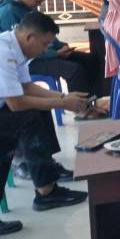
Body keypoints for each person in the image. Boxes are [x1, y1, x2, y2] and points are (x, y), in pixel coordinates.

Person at [0, 12, 91, 215]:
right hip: (6, 106)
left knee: (38, 111)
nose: (45, 50)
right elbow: (16, 103)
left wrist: (63, 97)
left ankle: (47, 175)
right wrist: (63, 103)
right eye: (44, 44)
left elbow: (27, 87)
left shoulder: (16, 46)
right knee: (29, 118)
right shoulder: (4, 52)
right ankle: (46, 192)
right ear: (29, 37)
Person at [0, 0, 103, 99]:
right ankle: (80, 105)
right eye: (38, 1)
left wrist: (61, 47)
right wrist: (55, 53)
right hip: (31, 61)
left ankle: (93, 100)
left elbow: (44, 33)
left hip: (44, 53)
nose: (38, 5)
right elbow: (28, 45)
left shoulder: (27, 8)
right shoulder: (8, 12)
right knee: (74, 70)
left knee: (91, 59)